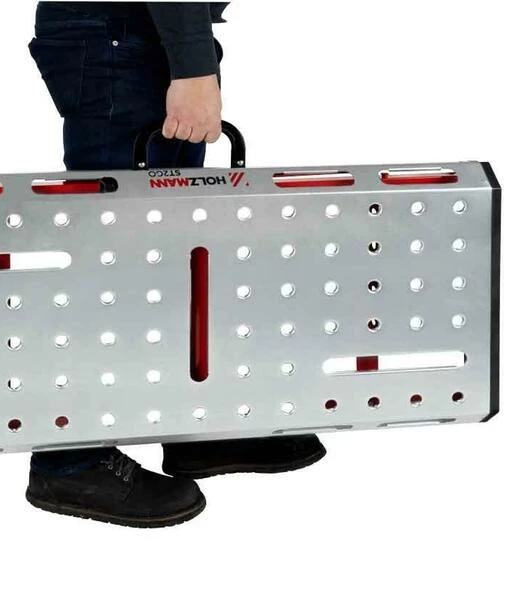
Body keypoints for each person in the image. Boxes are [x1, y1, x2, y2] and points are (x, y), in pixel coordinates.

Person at [26, 1, 326, 528]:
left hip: (145, 32)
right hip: (122, 33)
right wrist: (192, 67)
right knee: (115, 261)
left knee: (173, 252)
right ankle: (69, 462)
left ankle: (190, 425)